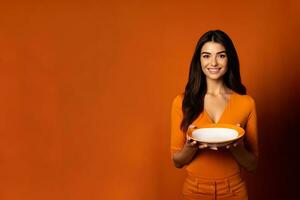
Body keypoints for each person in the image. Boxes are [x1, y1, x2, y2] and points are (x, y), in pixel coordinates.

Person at [170, 30, 258, 200]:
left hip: (234, 191)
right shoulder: (181, 102)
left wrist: (237, 146)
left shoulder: (247, 103)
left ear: (229, 59)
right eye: (206, 56)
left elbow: (252, 165)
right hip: (195, 190)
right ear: (199, 60)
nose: (213, 62)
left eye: (221, 55)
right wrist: (191, 146)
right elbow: (177, 162)